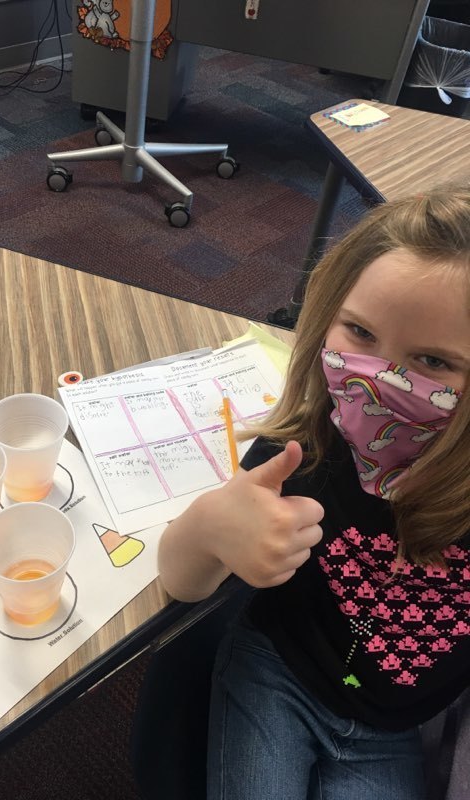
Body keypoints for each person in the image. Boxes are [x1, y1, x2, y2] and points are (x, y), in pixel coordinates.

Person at [157, 187, 470, 800]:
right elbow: (182, 582)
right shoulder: (304, 450)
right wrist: (211, 526)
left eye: (432, 360)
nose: (380, 379)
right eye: (359, 332)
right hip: (276, 674)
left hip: (391, 729)